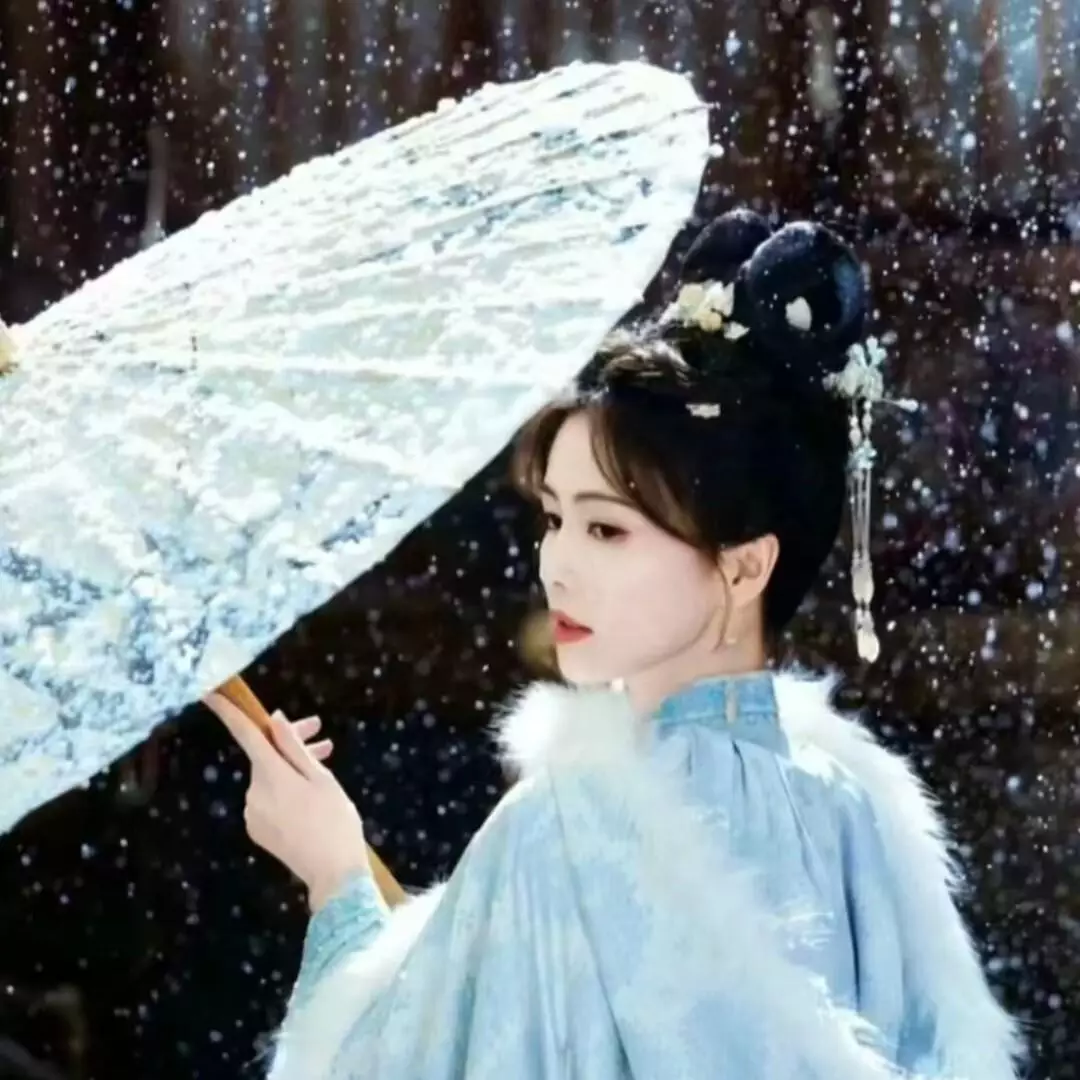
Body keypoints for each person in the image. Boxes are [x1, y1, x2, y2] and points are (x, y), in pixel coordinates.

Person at [205, 210, 1023, 1080]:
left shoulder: (562, 832)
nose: (557, 565)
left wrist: (335, 877)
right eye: (554, 519)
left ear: (745, 565)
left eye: (606, 530)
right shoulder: (858, 821)